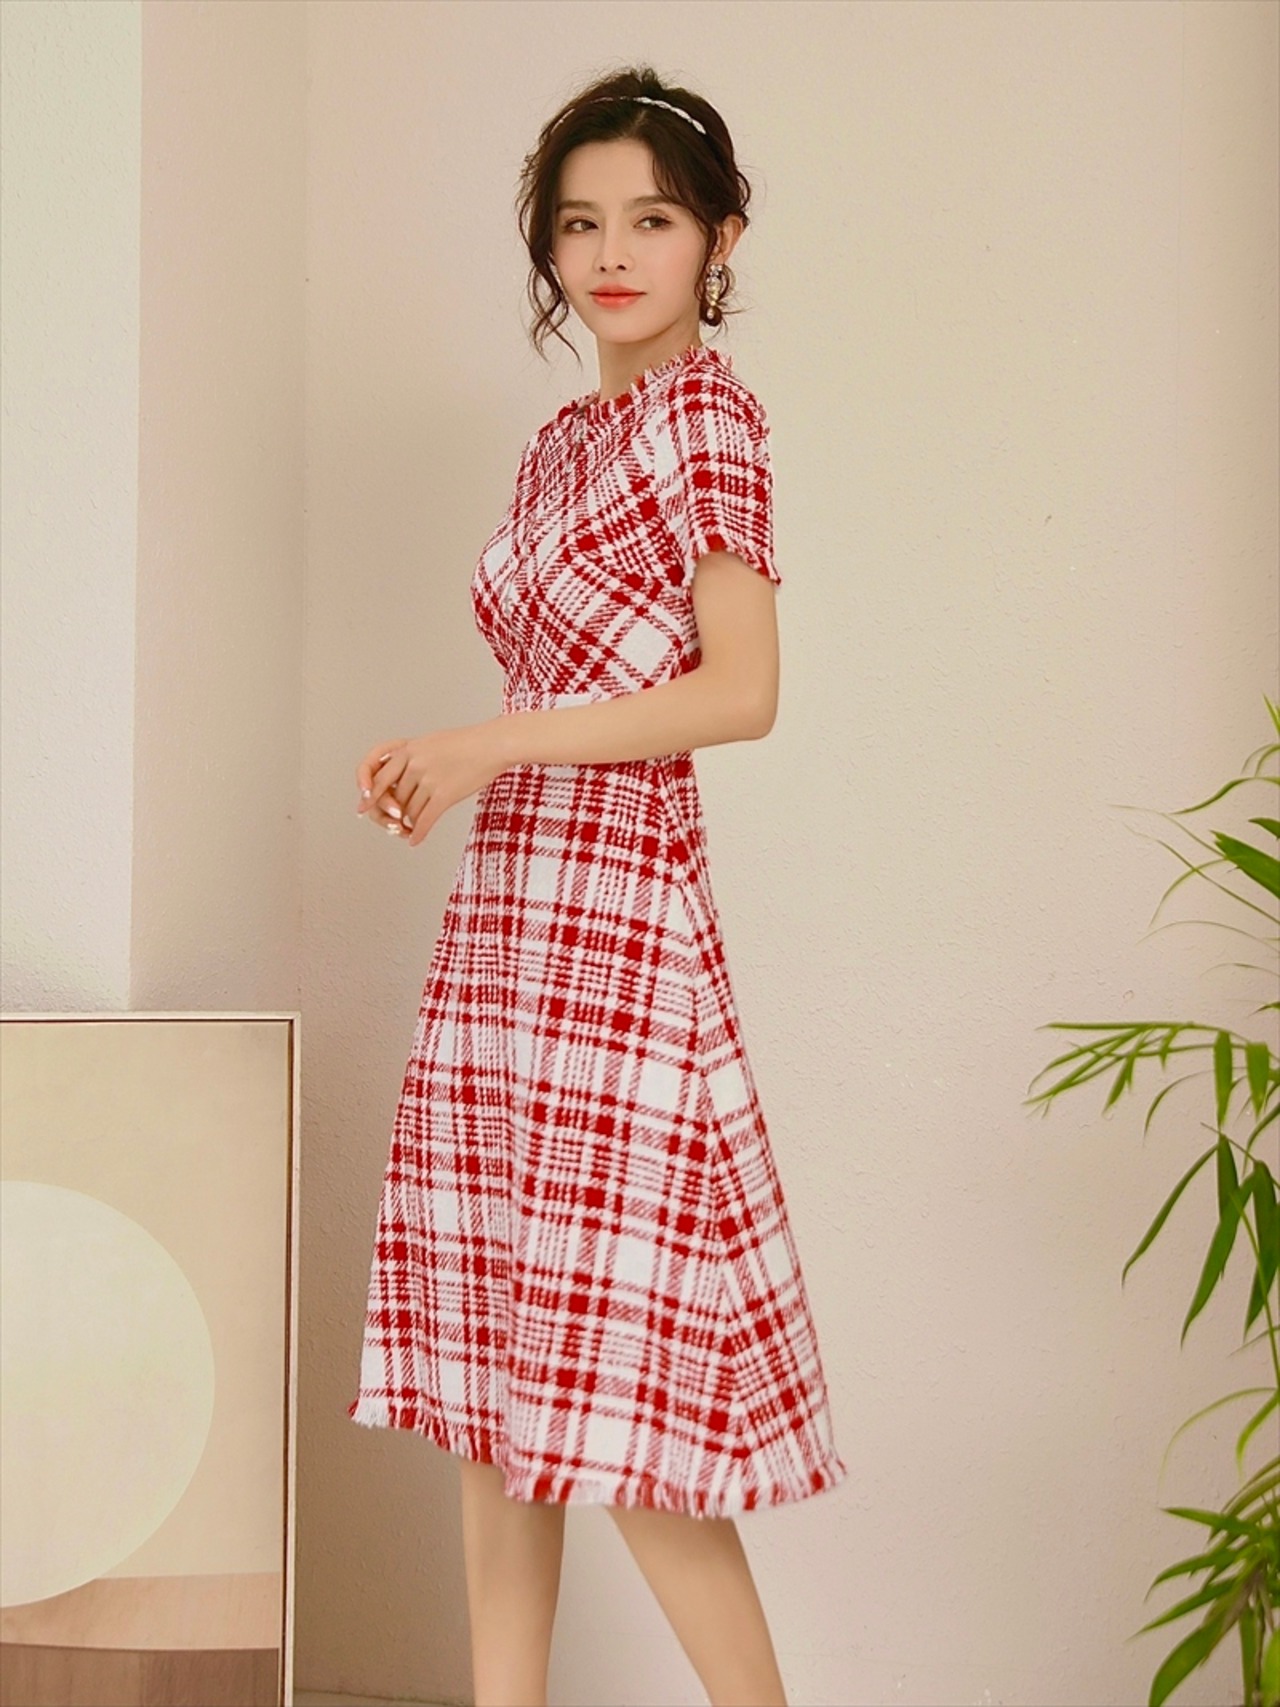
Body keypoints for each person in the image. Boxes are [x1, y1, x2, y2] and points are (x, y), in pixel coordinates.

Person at [347, 64, 846, 1707]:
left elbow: (741, 691)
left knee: (625, 1399)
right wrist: (444, 768)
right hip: (508, 924)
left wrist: (485, 743)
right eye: (580, 224)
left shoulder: (708, 416)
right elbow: (562, 683)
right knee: (498, 1387)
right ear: (548, 247)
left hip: (622, 930)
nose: (613, 253)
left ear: (721, 239)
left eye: (652, 219)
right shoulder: (562, 443)